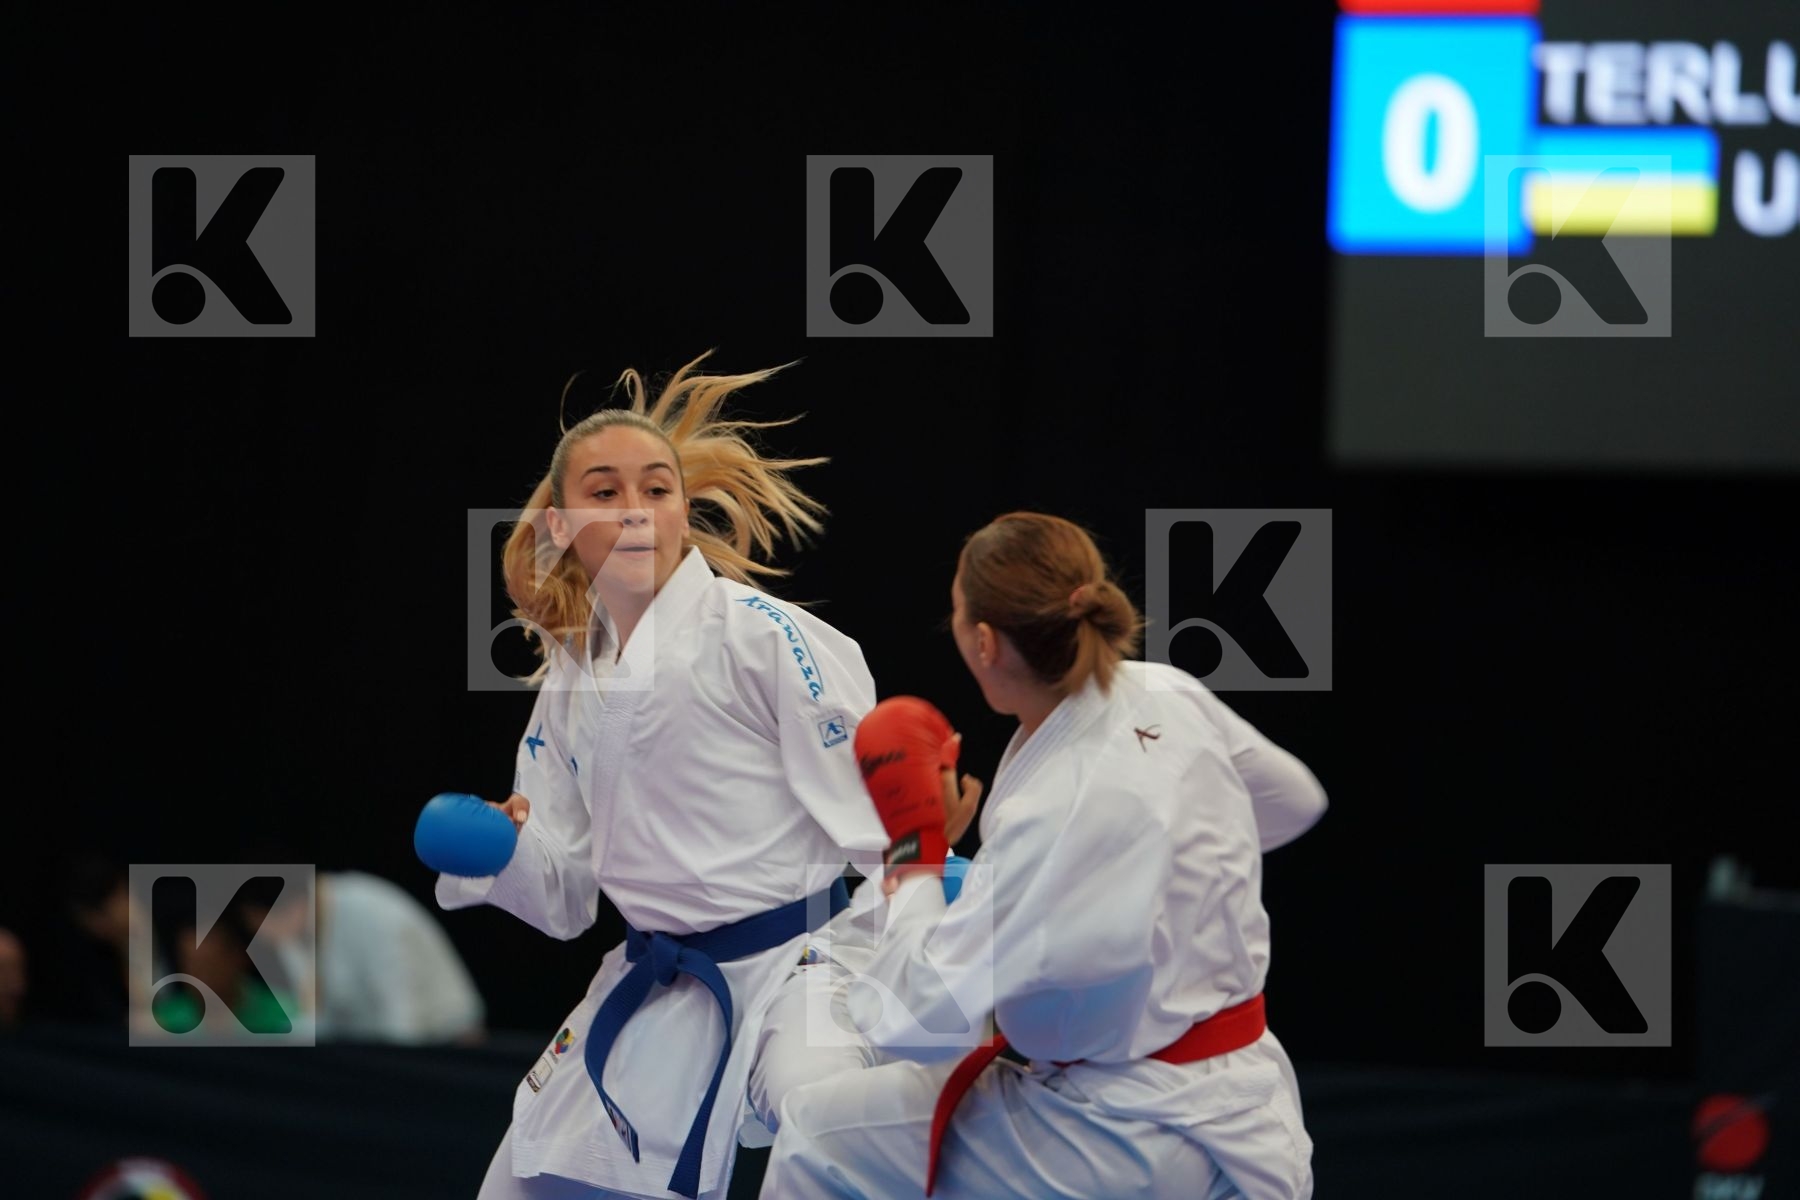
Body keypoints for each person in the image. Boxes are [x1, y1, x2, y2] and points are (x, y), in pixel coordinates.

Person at [763, 511, 1327, 1199]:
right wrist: (1159, 872)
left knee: (818, 1134)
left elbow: (915, 1019)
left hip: (1114, 1135)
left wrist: (917, 850)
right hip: (1252, 1106)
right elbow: (1295, 802)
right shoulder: (1167, 691)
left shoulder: (1047, 813)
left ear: (983, 642)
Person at [435, 351, 892, 1199]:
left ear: (686, 508)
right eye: (605, 493)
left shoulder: (765, 637)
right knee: (522, 1179)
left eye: (658, 489)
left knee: (823, 1113)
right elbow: (568, 892)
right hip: (659, 979)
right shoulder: (572, 678)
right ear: (562, 524)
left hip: (802, 961)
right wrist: (499, 848)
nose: (638, 511)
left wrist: (937, 899)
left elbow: (878, 812)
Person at [247, 869, 486, 1044]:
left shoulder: (371, 914)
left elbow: (402, 1017)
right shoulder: (290, 936)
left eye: (263, 923)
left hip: (447, 1040)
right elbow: (313, 1019)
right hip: (372, 1049)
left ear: (294, 906)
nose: (263, 936)